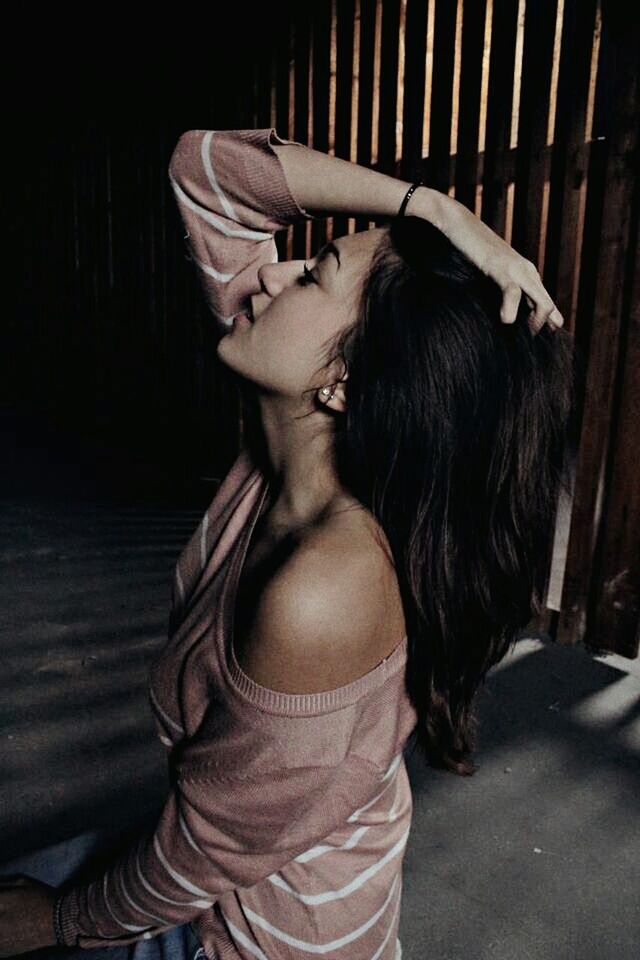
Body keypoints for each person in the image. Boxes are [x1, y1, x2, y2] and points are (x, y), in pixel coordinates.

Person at [0, 127, 574, 960]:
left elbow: (208, 854)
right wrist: (435, 208)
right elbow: (207, 170)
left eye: (311, 275)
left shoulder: (324, 592)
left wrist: (55, 922)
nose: (269, 274)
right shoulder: (296, 443)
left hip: (260, 937)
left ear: (343, 384)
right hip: (234, 861)